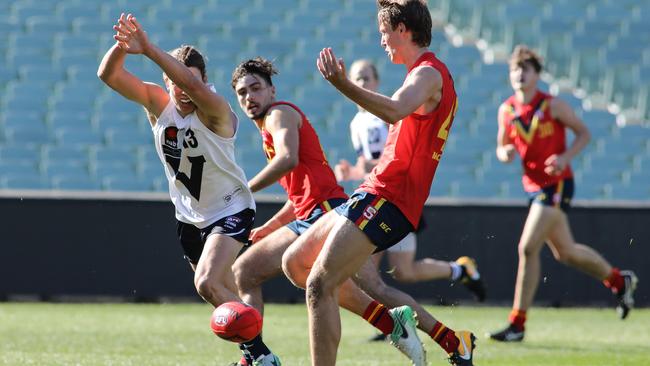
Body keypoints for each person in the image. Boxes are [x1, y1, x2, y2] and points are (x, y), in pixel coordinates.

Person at [282, 1, 476, 365]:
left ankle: (399, 329)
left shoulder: (430, 73)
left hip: (390, 199)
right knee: (295, 262)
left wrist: (342, 84)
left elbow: (393, 109)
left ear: (403, 29)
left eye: (384, 31)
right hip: (373, 191)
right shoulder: (420, 74)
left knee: (319, 284)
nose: (381, 40)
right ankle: (406, 327)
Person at [97, 14, 281, 366]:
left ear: (204, 82)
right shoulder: (158, 104)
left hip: (231, 209)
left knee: (207, 282)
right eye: (175, 81)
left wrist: (148, 48)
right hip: (190, 218)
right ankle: (255, 356)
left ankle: (264, 359)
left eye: (191, 80)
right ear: (166, 82)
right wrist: (123, 48)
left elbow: (192, 89)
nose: (182, 88)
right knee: (223, 292)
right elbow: (109, 76)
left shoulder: (214, 108)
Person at [230, 57, 426, 366]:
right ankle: (255, 357)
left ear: (271, 91)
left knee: (366, 287)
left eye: (256, 89)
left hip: (326, 215)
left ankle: (447, 338)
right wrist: (268, 228)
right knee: (247, 272)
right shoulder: (271, 122)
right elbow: (298, 197)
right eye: (242, 93)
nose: (249, 97)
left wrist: (244, 188)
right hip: (314, 214)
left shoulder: (278, 114)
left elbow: (288, 158)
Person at [488, 45, 639, 342]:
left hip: (556, 184)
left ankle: (517, 324)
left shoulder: (552, 105)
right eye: (515, 69)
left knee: (527, 247)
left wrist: (565, 157)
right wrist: (504, 153)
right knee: (566, 253)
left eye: (526, 69)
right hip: (533, 187)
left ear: (537, 75)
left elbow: (584, 133)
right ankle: (620, 281)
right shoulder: (506, 110)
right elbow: (501, 147)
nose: (519, 74)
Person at [335, 59, 486, 307]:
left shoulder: (383, 114)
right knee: (396, 271)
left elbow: (396, 155)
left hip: (394, 198)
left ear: (376, 81)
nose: (362, 83)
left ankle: (393, 323)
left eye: (366, 78)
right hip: (378, 194)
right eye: (357, 78)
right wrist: (351, 171)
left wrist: (365, 168)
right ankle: (459, 270)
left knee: (382, 271)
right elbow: (369, 164)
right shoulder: (356, 123)